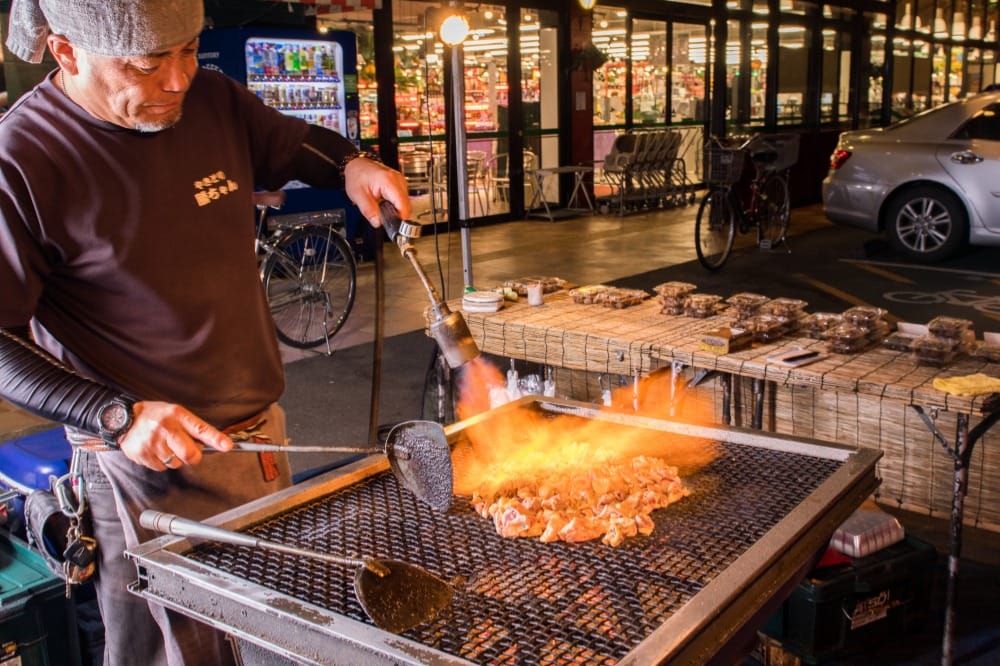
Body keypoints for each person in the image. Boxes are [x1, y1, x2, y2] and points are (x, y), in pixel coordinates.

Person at [0, 1, 411, 664]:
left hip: (257, 440)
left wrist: (351, 164)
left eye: (189, 49)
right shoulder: (22, 159)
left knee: (268, 634)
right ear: (67, 53)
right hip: (142, 465)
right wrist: (116, 414)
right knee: (176, 651)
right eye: (148, 62)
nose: (178, 78)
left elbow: (292, 144)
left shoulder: (211, 99)